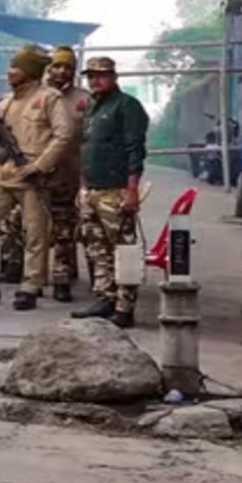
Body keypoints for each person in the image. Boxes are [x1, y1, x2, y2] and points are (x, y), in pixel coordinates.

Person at [0, 45, 77, 311]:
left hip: (34, 176)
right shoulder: (6, 102)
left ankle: (30, 286)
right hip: (6, 173)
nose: (9, 72)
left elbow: (65, 135)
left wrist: (40, 165)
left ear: (29, 72)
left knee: (36, 233)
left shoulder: (50, 98)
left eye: (15, 67)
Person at [0, 45, 89, 302]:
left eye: (68, 68)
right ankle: (18, 268)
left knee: (62, 229)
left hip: (65, 174)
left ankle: (61, 280)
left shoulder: (83, 100)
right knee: (21, 225)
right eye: (57, 66)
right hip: (29, 176)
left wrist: (85, 177)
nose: (62, 72)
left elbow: (87, 140)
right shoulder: (30, 95)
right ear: (48, 69)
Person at [71, 57, 149, 328]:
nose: (95, 80)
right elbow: (85, 147)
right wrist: (82, 186)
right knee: (96, 248)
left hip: (115, 189)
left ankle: (125, 307)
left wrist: (132, 189)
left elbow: (135, 150)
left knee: (123, 249)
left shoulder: (127, 106)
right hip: (91, 189)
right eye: (91, 76)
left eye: (101, 75)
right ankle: (105, 298)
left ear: (114, 76)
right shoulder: (92, 106)